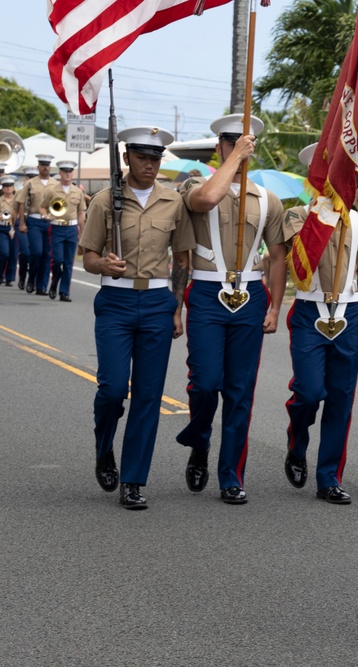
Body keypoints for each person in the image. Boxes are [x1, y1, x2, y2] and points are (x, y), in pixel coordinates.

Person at [79, 126, 194, 509]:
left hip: (158, 304)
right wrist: (104, 265)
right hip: (115, 303)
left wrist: (176, 308)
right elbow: (88, 256)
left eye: (156, 158)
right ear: (127, 158)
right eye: (143, 157)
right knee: (113, 390)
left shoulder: (173, 202)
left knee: (148, 394)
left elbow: (181, 259)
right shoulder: (103, 201)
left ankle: (133, 480)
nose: (150, 165)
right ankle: (104, 445)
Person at [175, 113, 286, 505]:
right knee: (205, 383)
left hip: (250, 297)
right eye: (232, 142)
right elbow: (205, 200)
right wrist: (232, 161)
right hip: (207, 294)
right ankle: (200, 440)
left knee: (241, 392)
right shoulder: (196, 185)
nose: (242, 148)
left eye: (246, 143)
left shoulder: (266, 198)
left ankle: (232, 475)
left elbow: (277, 254)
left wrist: (273, 305)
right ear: (219, 146)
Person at [279, 143, 358, 505]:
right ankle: (297, 437)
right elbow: (299, 261)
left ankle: (329, 477)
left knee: (341, 399)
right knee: (309, 392)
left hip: (349, 314)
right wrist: (322, 217)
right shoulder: (296, 216)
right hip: (310, 311)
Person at [39, 160, 87, 302]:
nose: (68, 174)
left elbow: (81, 212)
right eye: (65, 171)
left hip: (72, 228)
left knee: (68, 262)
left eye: (70, 171)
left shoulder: (77, 191)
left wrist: (82, 232)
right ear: (60, 173)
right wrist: (45, 215)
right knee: (57, 259)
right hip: (57, 227)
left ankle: (64, 292)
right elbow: (43, 207)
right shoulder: (53, 190)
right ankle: (54, 283)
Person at [14, 155, 55, 295]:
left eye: (47, 165)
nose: (45, 167)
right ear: (38, 167)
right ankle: (31, 279)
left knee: (46, 255)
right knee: (36, 253)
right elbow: (21, 202)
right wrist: (22, 223)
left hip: (50, 221)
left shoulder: (55, 184)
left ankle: (41, 286)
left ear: (50, 167)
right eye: (42, 165)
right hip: (34, 220)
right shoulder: (30, 183)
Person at [0, 176, 16, 285]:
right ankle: (1, 274)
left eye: (10, 186)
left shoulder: (17, 200)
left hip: (14, 227)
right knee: (4, 253)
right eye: (6, 186)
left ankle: (10, 278)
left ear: (13, 187)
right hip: (2, 227)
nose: (8, 188)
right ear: (2, 188)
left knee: (13, 254)